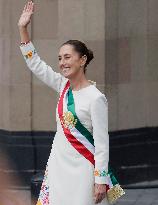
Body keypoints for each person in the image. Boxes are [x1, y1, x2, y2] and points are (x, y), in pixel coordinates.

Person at [18, 1, 125, 205]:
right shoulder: (63, 86)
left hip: (84, 170)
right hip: (59, 166)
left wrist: (100, 180)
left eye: (67, 57)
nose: (62, 63)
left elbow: (102, 144)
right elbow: (36, 64)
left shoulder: (96, 98)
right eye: (60, 58)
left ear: (82, 60)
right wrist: (23, 29)